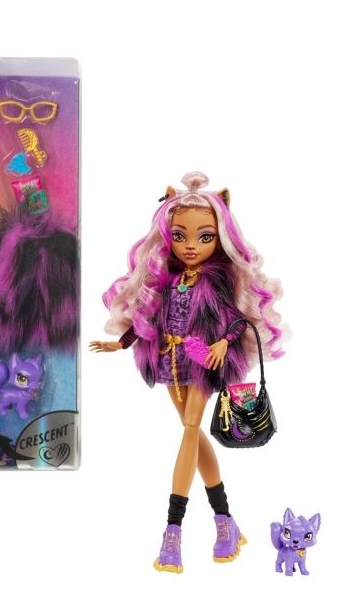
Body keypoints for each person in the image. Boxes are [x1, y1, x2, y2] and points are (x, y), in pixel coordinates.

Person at [90, 172, 286, 573]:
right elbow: (149, 317)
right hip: (169, 361)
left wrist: (223, 342)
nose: (191, 245)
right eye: (180, 236)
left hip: (202, 364)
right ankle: (226, 521)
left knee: (191, 429)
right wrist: (121, 343)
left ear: (221, 237)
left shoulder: (218, 280)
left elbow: (237, 319)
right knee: (192, 434)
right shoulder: (167, 279)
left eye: (204, 236)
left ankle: (173, 531)